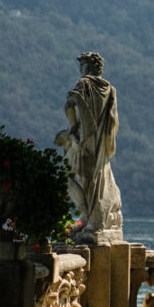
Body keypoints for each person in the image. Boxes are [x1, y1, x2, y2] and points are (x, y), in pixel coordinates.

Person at [54, 52, 124, 244]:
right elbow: (112, 121)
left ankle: (88, 217)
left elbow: (69, 106)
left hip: (85, 140)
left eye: (82, 66)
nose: (80, 70)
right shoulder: (110, 89)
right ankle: (95, 219)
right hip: (102, 143)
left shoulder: (83, 84)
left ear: (87, 67)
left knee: (72, 178)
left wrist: (73, 125)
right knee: (98, 178)